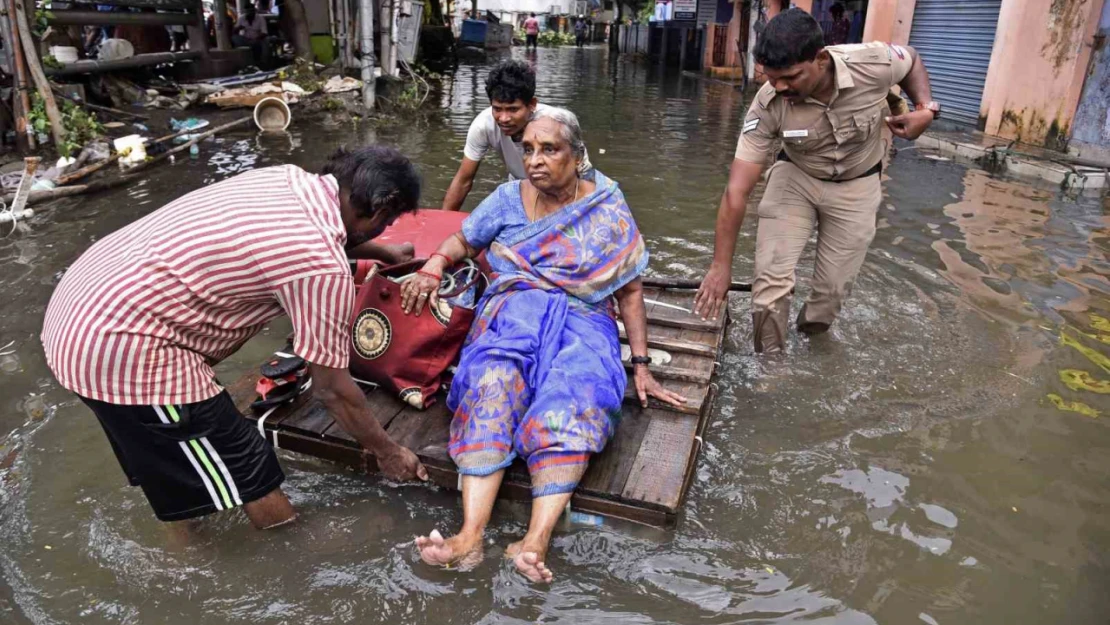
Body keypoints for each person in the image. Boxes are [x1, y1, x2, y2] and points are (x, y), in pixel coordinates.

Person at [41, 147, 430, 532]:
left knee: (170, 458)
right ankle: (285, 558)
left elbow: (313, 235)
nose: (384, 229)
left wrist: (380, 251)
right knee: (250, 468)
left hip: (82, 300)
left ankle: (187, 544)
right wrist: (387, 452)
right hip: (121, 343)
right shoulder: (320, 266)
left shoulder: (287, 179)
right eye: (388, 223)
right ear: (380, 211)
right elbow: (332, 390)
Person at [411, 108, 685, 582]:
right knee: (492, 380)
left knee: (576, 392)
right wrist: (435, 263)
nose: (535, 160)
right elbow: (463, 238)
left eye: (549, 149)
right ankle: (470, 534)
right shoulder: (507, 198)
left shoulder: (606, 204)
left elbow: (631, 292)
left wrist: (640, 365)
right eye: (529, 149)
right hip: (513, 313)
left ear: (577, 157)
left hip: (584, 321)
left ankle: (535, 540)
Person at [693, 8, 939, 352]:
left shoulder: (872, 63)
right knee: (769, 288)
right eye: (770, 77)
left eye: (790, 77)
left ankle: (809, 338)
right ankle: (771, 365)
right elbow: (736, 191)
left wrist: (926, 109)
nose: (778, 87)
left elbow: (911, 59)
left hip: (858, 183)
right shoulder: (767, 105)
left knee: (831, 296)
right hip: (796, 177)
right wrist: (720, 267)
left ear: (821, 60)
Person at [441, 60, 591, 212]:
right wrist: (442, 222)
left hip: (561, 190)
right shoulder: (483, 125)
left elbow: (582, 176)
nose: (504, 118)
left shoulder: (559, 124)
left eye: (513, 109)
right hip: (520, 188)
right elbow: (463, 180)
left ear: (532, 104)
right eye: (497, 109)